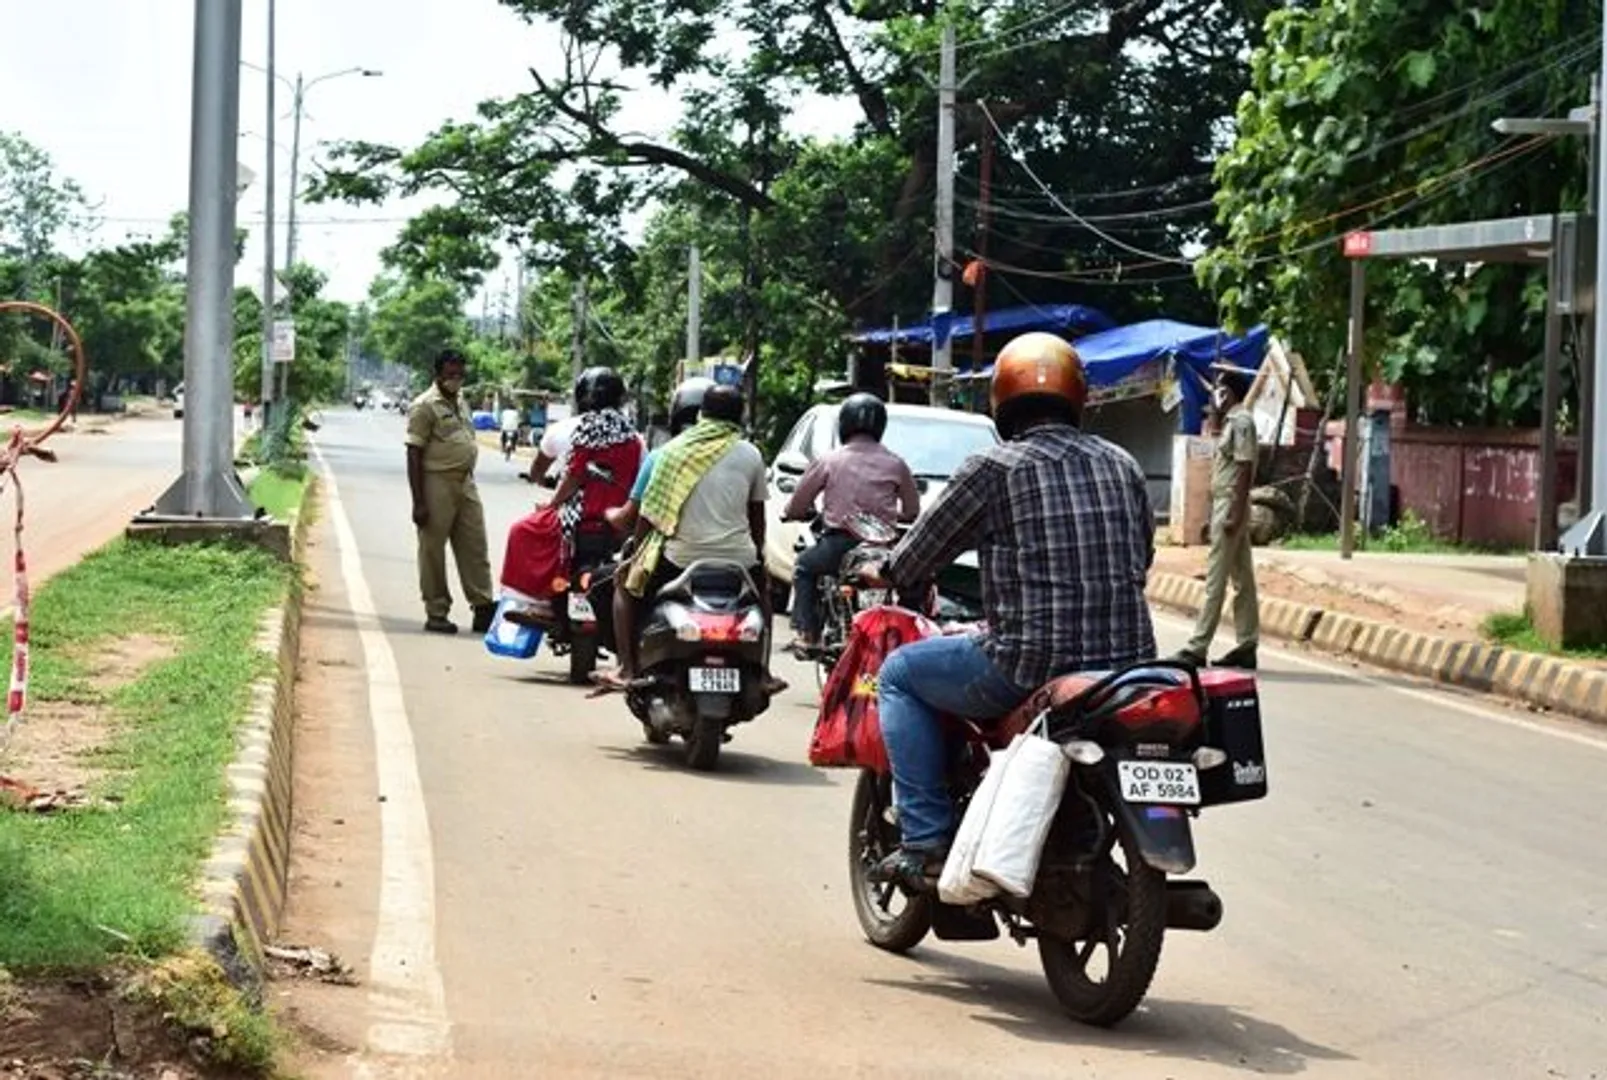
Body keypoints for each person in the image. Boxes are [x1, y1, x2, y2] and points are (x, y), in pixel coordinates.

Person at [864, 332, 1157, 891]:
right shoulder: (1122, 463)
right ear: (1077, 398)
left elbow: (920, 553)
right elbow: (1141, 555)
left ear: (1001, 401)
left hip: (1028, 662)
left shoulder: (994, 468)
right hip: (1129, 668)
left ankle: (925, 841)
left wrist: (886, 570)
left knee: (901, 674)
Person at [593, 383, 786, 695]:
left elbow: (650, 514)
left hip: (679, 560)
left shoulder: (671, 452)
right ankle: (763, 672)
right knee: (763, 595)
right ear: (741, 416)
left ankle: (627, 669)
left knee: (624, 589)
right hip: (738, 560)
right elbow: (756, 519)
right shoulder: (751, 454)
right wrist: (758, 560)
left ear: (702, 414)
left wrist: (634, 557)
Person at [780, 393, 919, 655]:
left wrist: (794, 512)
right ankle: (911, 635)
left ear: (844, 424)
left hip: (838, 545)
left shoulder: (830, 460)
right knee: (909, 581)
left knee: (804, 567)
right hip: (883, 549)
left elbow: (798, 505)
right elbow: (912, 511)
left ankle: (808, 634)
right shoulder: (896, 463)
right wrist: (892, 516)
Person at [500, 368, 641, 606]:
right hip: (622, 518)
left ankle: (536, 603)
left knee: (521, 531)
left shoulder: (587, 428)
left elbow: (574, 475)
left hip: (581, 516)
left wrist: (552, 504)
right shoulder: (633, 435)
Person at [1174, 366, 1260, 670]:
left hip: (1231, 503)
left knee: (1216, 578)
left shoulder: (1241, 422)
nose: (1217, 397)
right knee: (1242, 579)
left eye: (1220, 391)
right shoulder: (1232, 422)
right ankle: (1247, 643)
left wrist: (1234, 512)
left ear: (1231, 392)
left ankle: (1198, 646)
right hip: (1227, 502)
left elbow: (1244, 467)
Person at [406, 349, 496, 635]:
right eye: (450, 374)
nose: (455, 379)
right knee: (433, 549)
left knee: (475, 544)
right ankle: (436, 611)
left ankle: (482, 606)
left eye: (459, 374)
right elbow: (413, 453)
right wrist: (419, 501)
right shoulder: (424, 406)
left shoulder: (462, 402)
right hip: (436, 482)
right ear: (438, 374)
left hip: (465, 482)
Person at [604, 377, 711, 538]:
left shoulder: (661, 456)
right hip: (738, 556)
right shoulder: (744, 457)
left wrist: (608, 512)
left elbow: (628, 519)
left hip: (676, 558)